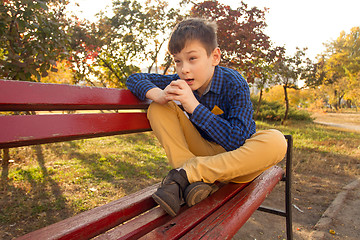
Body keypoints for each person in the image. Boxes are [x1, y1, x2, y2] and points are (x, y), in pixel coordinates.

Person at [126, 18, 287, 217]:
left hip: (237, 163)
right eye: (178, 61)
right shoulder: (180, 81)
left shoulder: (234, 83)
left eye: (192, 58)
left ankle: (187, 175)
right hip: (202, 152)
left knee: (276, 141)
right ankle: (190, 178)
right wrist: (158, 95)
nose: (184, 69)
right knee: (159, 108)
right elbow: (135, 78)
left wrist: (194, 107)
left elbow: (237, 141)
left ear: (215, 57)